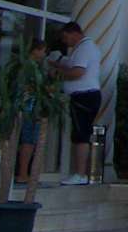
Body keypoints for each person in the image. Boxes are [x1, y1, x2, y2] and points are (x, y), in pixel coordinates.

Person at [48, 21, 101, 185]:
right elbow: (72, 65)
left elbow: (78, 72)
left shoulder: (85, 48)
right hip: (83, 95)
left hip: (84, 96)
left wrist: (57, 73)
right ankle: (79, 172)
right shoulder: (81, 49)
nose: (65, 41)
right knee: (79, 134)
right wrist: (58, 62)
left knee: (81, 134)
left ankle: (80, 173)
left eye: (65, 37)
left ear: (74, 33)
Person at [14, 39, 48, 185]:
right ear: (35, 50)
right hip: (29, 108)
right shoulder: (29, 68)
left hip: (31, 108)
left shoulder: (30, 67)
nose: (44, 54)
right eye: (42, 50)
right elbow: (30, 88)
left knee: (30, 141)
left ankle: (25, 172)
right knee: (28, 141)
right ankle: (23, 173)